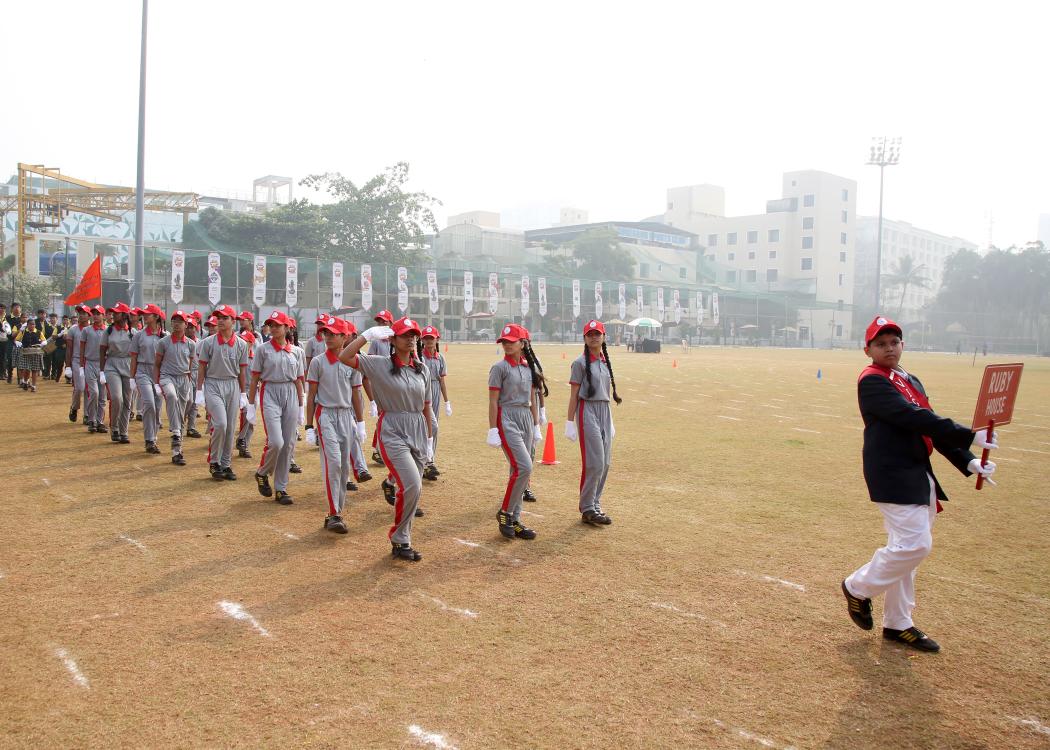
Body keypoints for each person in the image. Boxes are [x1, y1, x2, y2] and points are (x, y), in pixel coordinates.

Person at [841, 316, 998, 653]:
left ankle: (898, 623)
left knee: (906, 550)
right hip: (893, 474)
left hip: (917, 472)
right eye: (880, 344)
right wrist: (969, 433)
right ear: (867, 349)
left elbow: (929, 424)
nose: (888, 348)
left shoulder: (910, 380)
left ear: (902, 345)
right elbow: (911, 417)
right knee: (915, 545)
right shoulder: (872, 381)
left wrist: (968, 459)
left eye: (894, 342)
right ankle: (857, 587)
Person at [339, 316, 432, 562]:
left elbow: (426, 406)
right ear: (392, 339)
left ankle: (403, 540)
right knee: (412, 484)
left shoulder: (422, 368)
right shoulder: (378, 364)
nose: (411, 338)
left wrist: (430, 439)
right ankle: (400, 537)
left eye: (414, 334)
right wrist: (366, 336)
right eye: (405, 335)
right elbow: (345, 357)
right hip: (392, 430)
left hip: (418, 429)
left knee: (412, 490)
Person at [486, 324, 543, 540]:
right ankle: (505, 513)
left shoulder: (529, 368)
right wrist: (493, 429)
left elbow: (533, 399)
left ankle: (515, 519)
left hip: (526, 417)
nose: (507, 345)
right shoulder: (499, 368)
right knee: (524, 467)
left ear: (523, 343)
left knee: (518, 471)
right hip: (507, 417)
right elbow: (493, 401)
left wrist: (536, 424)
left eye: (512, 341)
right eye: (504, 341)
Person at [565, 320, 623, 526]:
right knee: (595, 461)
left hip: (604, 411)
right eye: (589, 334)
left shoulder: (605, 362)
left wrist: (611, 421)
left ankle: (595, 503)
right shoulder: (579, 363)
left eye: (597, 333)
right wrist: (569, 422)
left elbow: (606, 392)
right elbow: (573, 396)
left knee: (605, 462)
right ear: (584, 338)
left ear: (604, 336)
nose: (594, 337)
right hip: (586, 410)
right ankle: (587, 507)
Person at [304, 316, 355, 532]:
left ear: (344, 337)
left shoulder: (352, 361)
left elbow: (356, 393)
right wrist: (308, 426)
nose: (328, 337)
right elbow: (311, 395)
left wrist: (359, 422)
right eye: (326, 333)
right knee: (333, 463)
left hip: (346, 416)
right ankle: (334, 514)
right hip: (325, 415)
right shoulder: (317, 362)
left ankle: (336, 512)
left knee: (344, 468)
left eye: (333, 334)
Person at [249, 311, 304, 505]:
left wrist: (301, 404)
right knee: (276, 442)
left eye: (277, 325)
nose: (273, 328)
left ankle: (281, 488)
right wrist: (250, 404)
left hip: (290, 393)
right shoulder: (263, 350)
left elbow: (299, 380)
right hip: (270, 391)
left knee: (288, 443)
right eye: (271, 325)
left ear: (287, 328)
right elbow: (255, 376)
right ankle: (262, 472)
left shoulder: (297, 351)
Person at [195, 305, 249, 481]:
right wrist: (199, 390)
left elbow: (242, 371)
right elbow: (202, 366)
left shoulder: (241, 344)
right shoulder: (209, 342)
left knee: (231, 427)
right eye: (218, 317)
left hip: (232, 385)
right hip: (213, 384)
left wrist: (243, 393)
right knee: (220, 424)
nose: (220, 320)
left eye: (225, 318)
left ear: (233, 322)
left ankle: (226, 464)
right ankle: (214, 461)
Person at [155, 310, 197, 466]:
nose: (177, 324)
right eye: (174, 321)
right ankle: (176, 433)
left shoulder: (191, 345)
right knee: (171, 396)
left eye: (180, 321)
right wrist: (156, 383)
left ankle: (177, 451)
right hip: (167, 377)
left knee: (183, 410)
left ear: (186, 325)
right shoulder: (163, 343)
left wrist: (190, 382)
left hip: (183, 379)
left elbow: (190, 365)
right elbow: (157, 364)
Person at [130, 304, 166, 454]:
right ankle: (149, 439)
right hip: (143, 371)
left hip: (160, 374)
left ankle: (153, 439)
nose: (144, 317)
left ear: (156, 317)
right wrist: (132, 378)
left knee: (157, 408)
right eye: (143, 314)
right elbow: (133, 357)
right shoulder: (139, 335)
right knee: (149, 404)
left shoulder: (165, 336)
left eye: (148, 314)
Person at [100, 303, 135, 443]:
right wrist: (102, 371)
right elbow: (102, 351)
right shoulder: (108, 331)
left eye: (117, 313)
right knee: (116, 398)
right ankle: (114, 428)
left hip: (128, 365)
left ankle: (123, 431)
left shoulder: (133, 333)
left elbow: (137, 353)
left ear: (125, 315)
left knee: (128, 401)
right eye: (113, 312)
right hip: (112, 365)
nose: (114, 315)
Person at [364, 309, 395, 465]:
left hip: (395, 384)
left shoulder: (396, 340)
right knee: (384, 417)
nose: (382, 324)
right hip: (380, 384)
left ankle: (383, 449)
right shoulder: (376, 342)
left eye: (385, 321)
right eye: (379, 322)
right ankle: (377, 450)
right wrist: (371, 398)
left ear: (391, 323)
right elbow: (369, 365)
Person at [420, 325, 450, 481]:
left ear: (437, 339)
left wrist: (447, 401)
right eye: (426, 338)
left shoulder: (440, 358)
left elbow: (442, 380)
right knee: (429, 426)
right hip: (423, 391)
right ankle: (425, 461)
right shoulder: (419, 357)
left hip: (436, 390)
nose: (429, 341)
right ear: (422, 340)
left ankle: (430, 460)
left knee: (434, 427)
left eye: (432, 338)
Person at [80, 305, 109, 433]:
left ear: (103, 316)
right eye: (94, 313)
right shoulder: (86, 331)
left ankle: (100, 421)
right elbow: (82, 349)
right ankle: (91, 420)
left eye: (98, 313)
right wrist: (81, 366)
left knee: (102, 395)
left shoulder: (108, 331)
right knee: (94, 392)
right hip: (90, 364)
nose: (96, 315)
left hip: (104, 365)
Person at [236, 311, 257, 459]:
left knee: (250, 416)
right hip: (238, 388)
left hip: (252, 388)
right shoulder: (239, 357)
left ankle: (244, 442)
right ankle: (241, 439)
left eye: (246, 341)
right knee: (244, 415)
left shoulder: (254, 357)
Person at [65, 305, 91, 422]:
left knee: (88, 389)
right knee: (80, 387)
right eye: (80, 313)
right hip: (76, 360)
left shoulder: (92, 329)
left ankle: (87, 414)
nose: (81, 315)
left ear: (89, 315)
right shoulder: (73, 329)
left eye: (84, 313)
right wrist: (68, 366)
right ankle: (74, 407)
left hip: (89, 361)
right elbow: (69, 349)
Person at [183, 314, 203, 439]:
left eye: (192, 327)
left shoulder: (201, 343)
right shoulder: (183, 342)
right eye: (188, 327)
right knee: (188, 400)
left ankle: (191, 427)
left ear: (196, 328)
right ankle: (179, 421)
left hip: (198, 373)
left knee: (196, 402)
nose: (190, 329)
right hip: (186, 373)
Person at [14, 317, 45, 391]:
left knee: (34, 370)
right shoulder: (23, 332)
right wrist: (18, 343)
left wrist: (42, 343)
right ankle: (25, 381)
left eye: (33, 324)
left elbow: (44, 340)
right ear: (27, 325)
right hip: (25, 353)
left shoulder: (39, 332)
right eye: (30, 324)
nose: (32, 326)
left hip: (35, 353)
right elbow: (16, 340)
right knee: (26, 369)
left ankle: (33, 386)